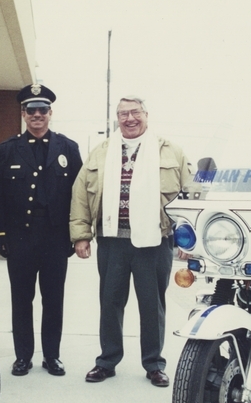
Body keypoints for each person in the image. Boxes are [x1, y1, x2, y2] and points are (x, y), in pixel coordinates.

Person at [70, 96, 191, 387]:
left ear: (146, 115)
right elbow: (81, 196)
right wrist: (81, 235)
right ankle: (107, 361)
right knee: (110, 303)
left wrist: (188, 239)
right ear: (117, 118)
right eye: (123, 114)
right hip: (112, 241)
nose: (129, 119)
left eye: (135, 112)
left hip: (153, 242)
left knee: (152, 306)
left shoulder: (171, 152)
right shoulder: (101, 152)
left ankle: (154, 364)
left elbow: (188, 196)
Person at [0, 84, 83, 376]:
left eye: (43, 110)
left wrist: (76, 233)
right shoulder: (6, 150)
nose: (37, 115)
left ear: (50, 113)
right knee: (21, 299)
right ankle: (23, 356)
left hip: (55, 237)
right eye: (31, 110)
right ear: (23, 114)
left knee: (53, 299)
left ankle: (52, 356)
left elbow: (79, 195)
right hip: (21, 237)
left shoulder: (68, 148)